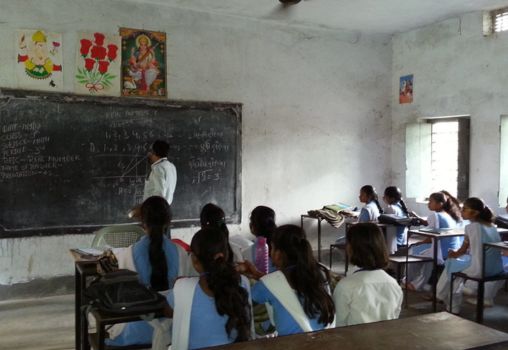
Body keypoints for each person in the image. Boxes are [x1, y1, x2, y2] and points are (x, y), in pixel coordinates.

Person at [106, 196, 190, 346]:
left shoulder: (128, 254)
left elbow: (124, 298)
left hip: (137, 330)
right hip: (173, 330)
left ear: (142, 222)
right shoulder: (181, 253)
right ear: (168, 222)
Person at [240, 224, 335, 336]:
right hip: (326, 341)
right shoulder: (321, 272)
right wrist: (257, 274)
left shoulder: (268, 284)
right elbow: (283, 285)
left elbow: (242, 302)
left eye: (272, 247)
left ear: (278, 253)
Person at [166, 227, 252, 349]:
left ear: (194, 260)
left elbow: (168, 312)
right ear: (225, 255)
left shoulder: (182, 288)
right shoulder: (242, 282)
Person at [436, 197, 504, 312]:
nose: (461, 212)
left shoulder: (471, 227)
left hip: (479, 268)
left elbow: (462, 250)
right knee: (457, 269)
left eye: (464, 210)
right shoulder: (491, 226)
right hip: (496, 268)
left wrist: (453, 254)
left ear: (474, 212)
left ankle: (443, 297)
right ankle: (463, 295)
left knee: (450, 264)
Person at [333, 223, 403, 326]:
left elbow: (338, 324)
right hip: (386, 339)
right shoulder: (393, 284)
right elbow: (395, 316)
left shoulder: (346, 286)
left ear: (352, 249)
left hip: (353, 341)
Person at [405, 191, 462, 292]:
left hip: (440, 250)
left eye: (431, 201)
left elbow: (430, 236)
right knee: (425, 255)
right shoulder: (449, 215)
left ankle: (408, 280)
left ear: (440, 204)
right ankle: (419, 283)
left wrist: (420, 243)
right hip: (451, 248)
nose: (428, 204)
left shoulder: (435, 216)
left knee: (413, 251)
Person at [382, 186, 410, 254]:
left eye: (385, 196)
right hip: (403, 241)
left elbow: (384, 223)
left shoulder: (391, 208)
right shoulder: (401, 207)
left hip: (394, 243)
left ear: (391, 198)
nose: (383, 198)